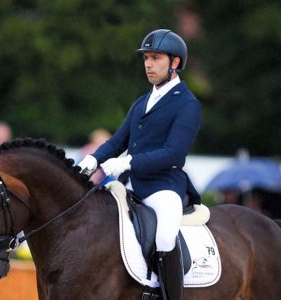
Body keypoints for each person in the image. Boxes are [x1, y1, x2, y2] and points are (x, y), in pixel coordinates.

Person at [78, 29, 201, 300]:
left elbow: (174, 154)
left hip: (163, 187)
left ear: (175, 63)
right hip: (130, 186)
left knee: (166, 237)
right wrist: (93, 159)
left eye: (155, 58)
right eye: (146, 58)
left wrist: (128, 163)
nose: (148, 64)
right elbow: (118, 141)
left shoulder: (188, 104)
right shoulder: (142, 102)